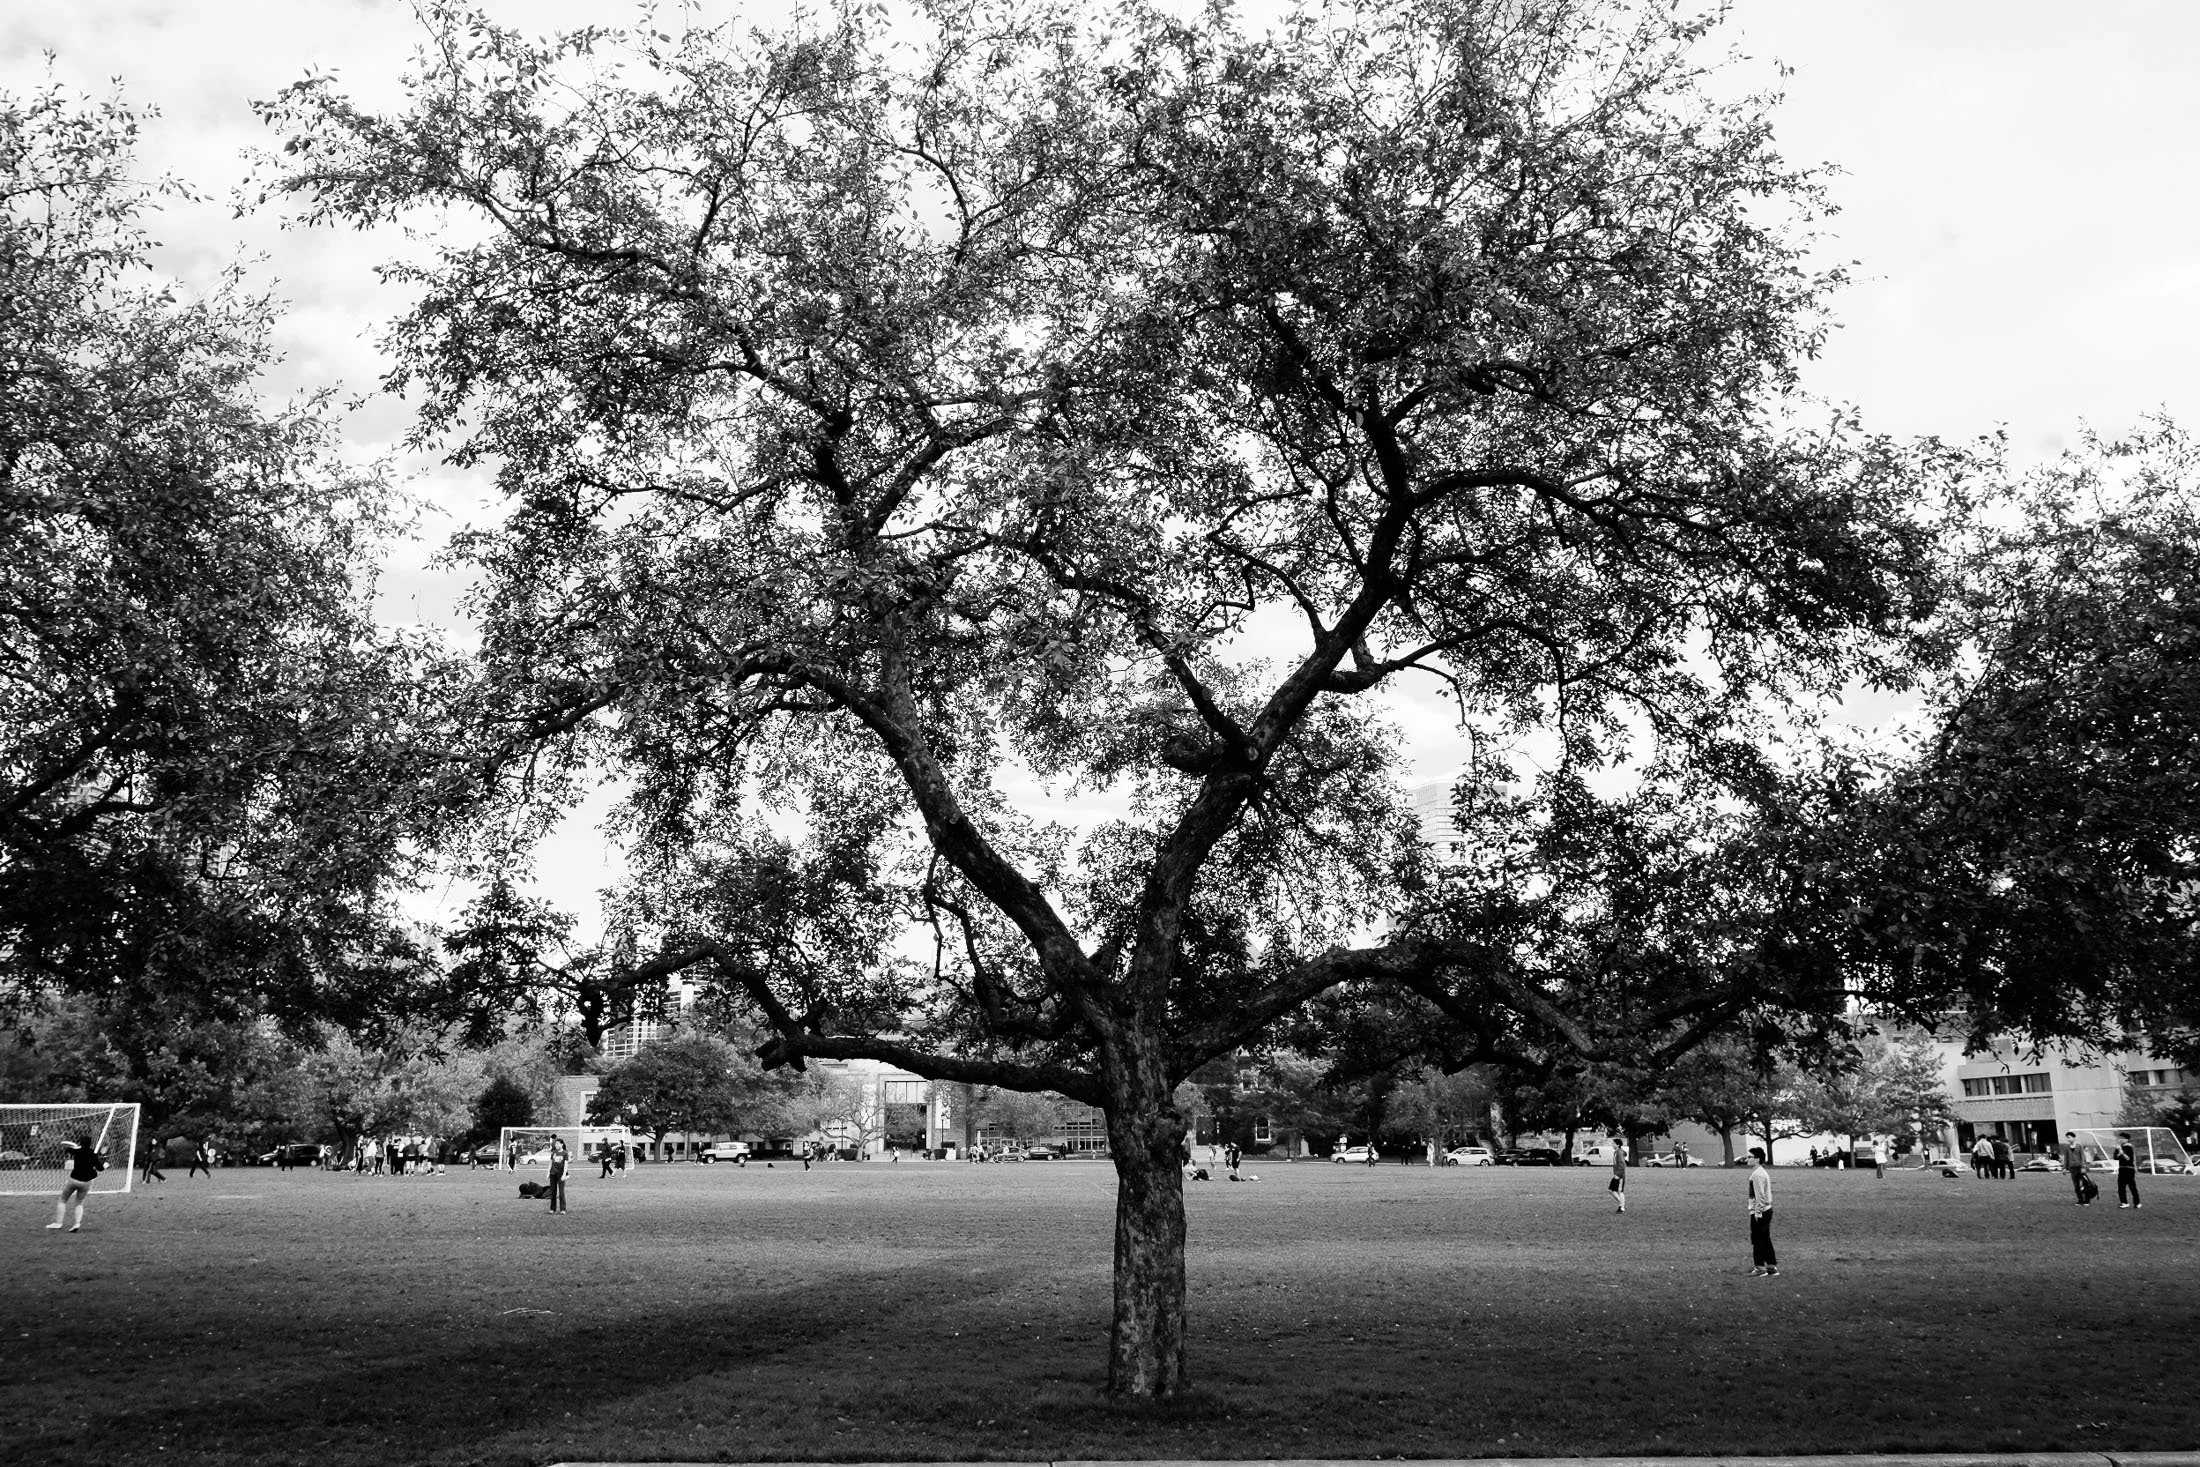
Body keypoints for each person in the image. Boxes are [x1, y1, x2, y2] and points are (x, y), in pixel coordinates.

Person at [48, 1132, 105, 1232]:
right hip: (86, 1182)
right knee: (79, 1203)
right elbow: (100, 1169)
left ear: (80, 1143)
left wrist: (75, 1146)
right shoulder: (93, 1154)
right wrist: (104, 1164)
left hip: (74, 1180)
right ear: (90, 1143)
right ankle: (77, 1224)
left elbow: (66, 1148)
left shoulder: (76, 1152)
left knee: (63, 1200)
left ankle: (58, 1223)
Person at [1746, 1145, 1777, 1276]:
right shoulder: (1761, 1172)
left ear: (1757, 1159)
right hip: (1766, 1210)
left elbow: (1760, 1196)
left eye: (1750, 1157)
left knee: (1757, 1239)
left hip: (1761, 1211)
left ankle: (1760, 1267)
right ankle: (1771, 1266)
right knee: (1765, 1239)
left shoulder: (1757, 1174)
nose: (1747, 1159)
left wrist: (1757, 1213)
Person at [2063, 1131, 2093, 1205]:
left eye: (2069, 1137)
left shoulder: (2079, 1146)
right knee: (2076, 1185)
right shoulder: (2066, 1147)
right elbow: (2066, 1158)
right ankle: (2080, 1200)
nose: (2068, 1139)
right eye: (2067, 1138)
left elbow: (2082, 1157)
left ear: (2074, 1138)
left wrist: (2083, 1166)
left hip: (2080, 1167)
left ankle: (2087, 1200)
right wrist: (2065, 1168)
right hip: (2072, 1168)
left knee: (2085, 1184)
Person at [2116, 1139, 2141, 1208]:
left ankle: (2137, 1203)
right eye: (2119, 1138)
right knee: (2121, 1187)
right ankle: (2124, 1202)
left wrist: (2121, 1152)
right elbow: (2115, 1157)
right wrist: (2119, 1151)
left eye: (2122, 1138)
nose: (2120, 1140)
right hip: (2121, 1169)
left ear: (2126, 1140)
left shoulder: (2130, 1148)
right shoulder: (2118, 1148)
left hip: (2129, 1169)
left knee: (2132, 1187)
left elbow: (2128, 1158)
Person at [546, 1135, 568, 1213]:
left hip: (560, 1174)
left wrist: (564, 1174)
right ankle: (552, 1209)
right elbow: (550, 1163)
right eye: (556, 1144)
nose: (556, 1145)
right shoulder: (554, 1153)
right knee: (553, 1192)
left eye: (558, 1144)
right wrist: (548, 1172)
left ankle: (563, 1209)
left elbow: (566, 1164)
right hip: (553, 1174)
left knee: (561, 1192)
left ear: (562, 1144)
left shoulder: (565, 1153)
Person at [1611, 1136, 1628, 1213]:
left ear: (1617, 1145)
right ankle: (1622, 1204)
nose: (1612, 1145)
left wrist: (1618, 1175)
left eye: (1613, 1143)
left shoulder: (1619, 1153)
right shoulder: (1617, 1152)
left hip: (1620, 1176)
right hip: (1617, 1174)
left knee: (1620, 1191)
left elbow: (1622, 1164)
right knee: (1611, 1190)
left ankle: (1622, 1208)